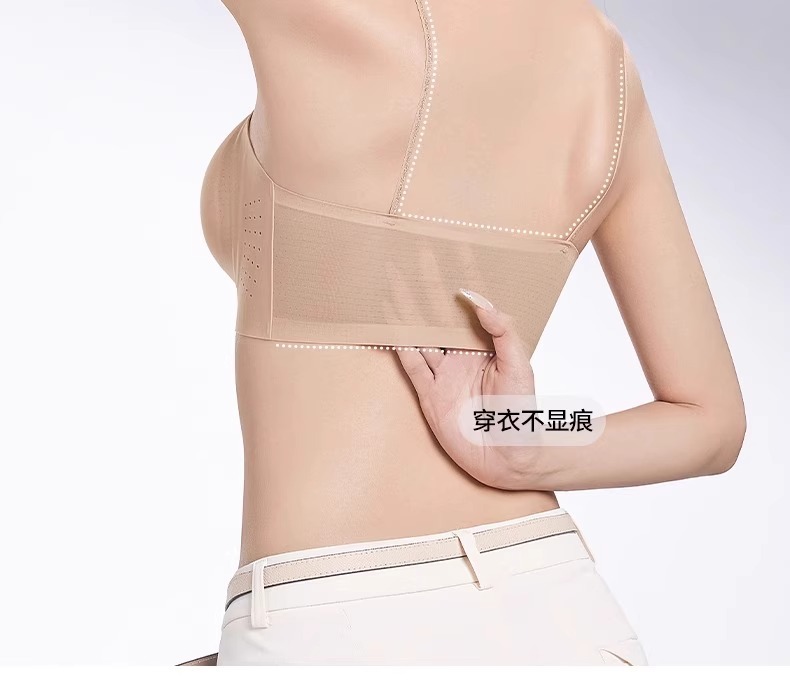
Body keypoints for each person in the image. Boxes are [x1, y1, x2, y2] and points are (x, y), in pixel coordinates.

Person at [187, 0, 746, 665]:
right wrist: (520, 439)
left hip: (327, 613)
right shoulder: (605, 66)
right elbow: (711, 423)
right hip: (556, 606)